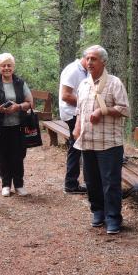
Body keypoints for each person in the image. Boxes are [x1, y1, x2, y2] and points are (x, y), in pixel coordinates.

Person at [73, 45, 130, 234]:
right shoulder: (83, 84)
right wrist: (77, 127)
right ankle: (97, 211)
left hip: (109, 143)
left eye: (94, 59)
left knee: (110, 182)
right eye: (87, 59)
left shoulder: (114, 83)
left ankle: (113, 218)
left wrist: (102, 111)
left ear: (103, 61)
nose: (89, 62)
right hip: (87, 141)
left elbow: (124, 109)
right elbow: (80, 110)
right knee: (91, 180)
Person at [0, 53, 34, 197]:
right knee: (2, 156)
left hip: (18, 125)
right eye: (3, 65)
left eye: (9, 65)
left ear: (13, 66)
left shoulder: (20, 83)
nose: (6, 68)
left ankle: (19, 184)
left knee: (18, 156)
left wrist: (17, 107)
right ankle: (6, 184)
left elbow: (30, 102)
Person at [59, 54, 88, 194]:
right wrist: (88, 103)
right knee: (76, 147)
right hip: (72, 114)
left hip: (76, 113)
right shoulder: (74, 70)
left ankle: (72, 183)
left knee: (76, 147)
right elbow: (65, 95)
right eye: (90, 59)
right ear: (85, 57)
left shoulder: (82, 70)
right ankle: (71, 184)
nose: (91, 62)